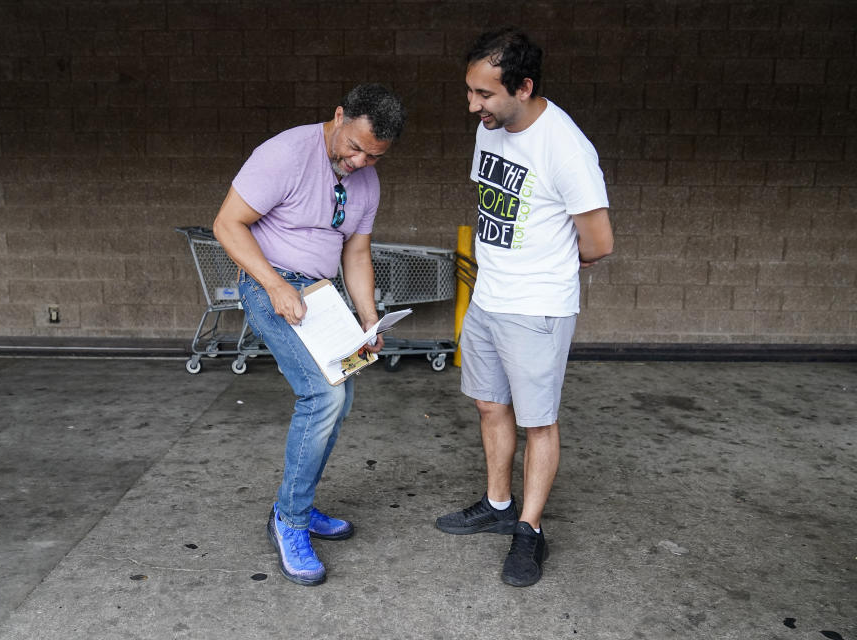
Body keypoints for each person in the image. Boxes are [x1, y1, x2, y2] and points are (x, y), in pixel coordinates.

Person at [436, 28, 614, 587]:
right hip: (489, 297)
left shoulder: (565, 148)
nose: (473, 105)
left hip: (536, 306)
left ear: (524, 86)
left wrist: (556, 263)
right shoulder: (492, 129)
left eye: (484, 94)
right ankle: (497, 503)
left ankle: (529, 529)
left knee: (539, 422)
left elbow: (599, 242)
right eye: (470, 90)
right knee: (491, 408)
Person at [212, 84, 406, 586]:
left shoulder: (367, 181)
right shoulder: (284, 154)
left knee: (340, 398)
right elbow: (227, 224)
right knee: (322, 395)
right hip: (269, 281)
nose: (360, 161)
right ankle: (290, 521)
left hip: (320, 294)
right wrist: (275, 286)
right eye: (355, 147)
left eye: (374, 155)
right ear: (339, 116)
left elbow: (356, 254)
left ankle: (296, 502)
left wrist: (368, 318)